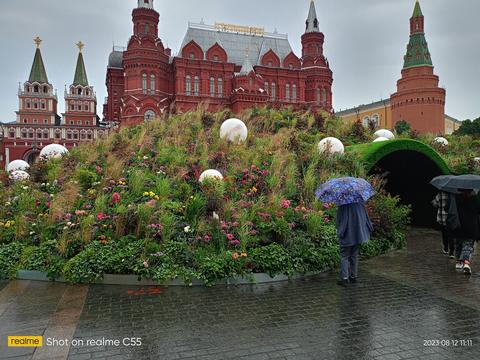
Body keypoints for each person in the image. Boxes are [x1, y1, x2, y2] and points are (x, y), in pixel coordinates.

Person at [336, 202, 373, 286]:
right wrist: (370, 228)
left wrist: (340, 232)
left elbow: (343, 220)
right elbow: (366, 217)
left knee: (344, 255)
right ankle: (353, 277)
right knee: (354, 255)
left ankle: (344, 278)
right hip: (358, 234)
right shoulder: (360, 202)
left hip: (348, 234)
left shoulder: (343, 204)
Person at [454, 189, 480, 275]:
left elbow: (448, 208)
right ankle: (466, 262)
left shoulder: (457, 198)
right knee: (468, 245)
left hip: (458, 225)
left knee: (458, 244)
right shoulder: (474, 199)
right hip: (471, 226)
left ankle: (458, 262)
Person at [432, 191, 455, 257]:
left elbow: (434, 203)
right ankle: (451, 251)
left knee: (444, 233)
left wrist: (438, 204)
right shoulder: (453, 194)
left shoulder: (440, 194)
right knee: (451, 234)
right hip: (451, 218)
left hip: (442, 217)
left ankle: (446, 248)